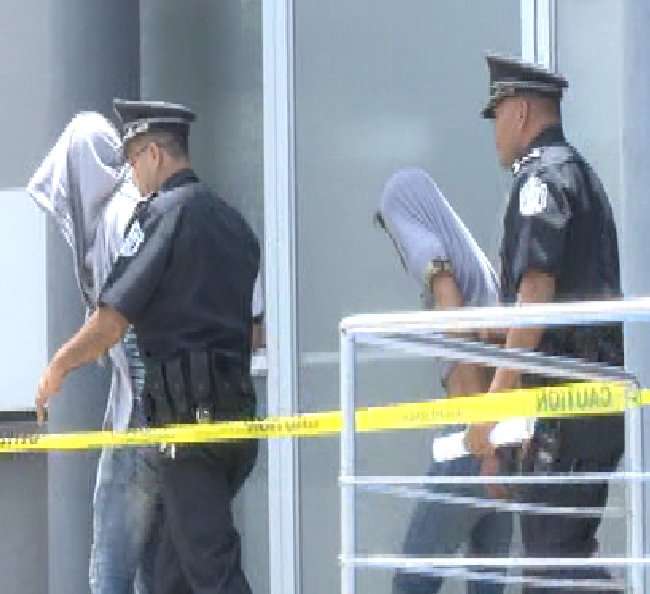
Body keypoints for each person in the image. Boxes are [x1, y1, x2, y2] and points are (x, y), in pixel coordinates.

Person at [34, 99, 260, 594]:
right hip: (238, 421)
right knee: (169, 577)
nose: (131, 174)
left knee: (211, 569)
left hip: (186, 425)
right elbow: (255, 329)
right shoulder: (233, 223)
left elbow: (113, 321)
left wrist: (59, 365)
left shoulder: (160, 216)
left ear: (155, 154)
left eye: (134, 160)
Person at [469, 54, 624, 594]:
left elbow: (535, 291)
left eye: (498, 114)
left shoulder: (542, 178)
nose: (494, 133)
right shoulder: (577, 172)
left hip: (563, 408)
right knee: (564, 560)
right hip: (577, 405)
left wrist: (495, 404)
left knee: (553, 567)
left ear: (521, 110)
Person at [27, 111, 162, 594]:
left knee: (110, 570)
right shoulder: (150, 206)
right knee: (160, 569)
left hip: (140, 422)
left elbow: (119, 323)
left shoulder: (114, 219)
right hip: (179, 415)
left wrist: (57, 368)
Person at [377, 168, 512, 594]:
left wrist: (478, 427)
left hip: (473, 433)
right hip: (502, 432)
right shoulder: (481, 271)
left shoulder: (425, 241)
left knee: (413, 580)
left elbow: (448, 300)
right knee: (487, 582)